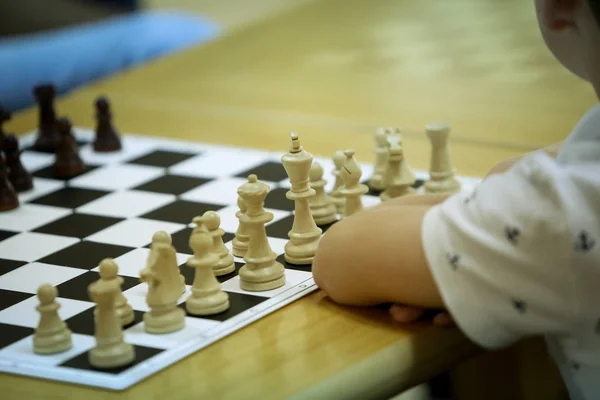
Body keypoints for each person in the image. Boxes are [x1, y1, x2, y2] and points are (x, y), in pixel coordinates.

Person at [312, 0, 600, 399]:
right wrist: (475, 235)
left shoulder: (567, 210)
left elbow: (340, 254)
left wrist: (477, 226)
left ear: (559, 8)